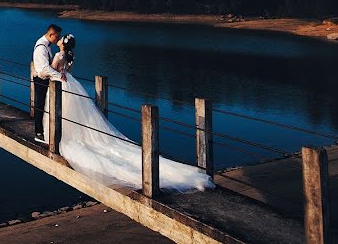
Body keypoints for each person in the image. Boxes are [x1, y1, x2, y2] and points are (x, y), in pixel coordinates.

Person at [41, 33, 214, 192]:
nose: (58, 41)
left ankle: (60, 135)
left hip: (59, 83)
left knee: (65, 111)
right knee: (77, 112)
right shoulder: (71, 56)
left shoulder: (58, 55)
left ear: (63, 44)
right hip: (70, 82)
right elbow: (68, 71)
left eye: (60, 39)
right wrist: (63, 73)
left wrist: (47, 72)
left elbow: (53, 71)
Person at [32, 24, 65, 144]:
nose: (58, 39)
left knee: (44, 104)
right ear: (51, 34)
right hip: (41, 80)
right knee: (40, 105)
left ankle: (43, 130)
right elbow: (45, 68)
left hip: (45, 79)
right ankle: (38, 133)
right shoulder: (41, 47)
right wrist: (60, 76)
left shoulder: (46, 45)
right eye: (57, 36)